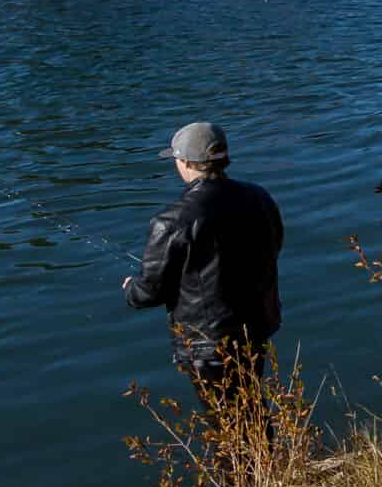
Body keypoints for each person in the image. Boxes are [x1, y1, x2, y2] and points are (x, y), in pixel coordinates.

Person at [122, 123, 285, 403]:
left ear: (185, 162)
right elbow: (274, 246)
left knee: (226, 420)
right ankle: (266, 448)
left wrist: (130, 289)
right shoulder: (259, 197)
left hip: (208, 344)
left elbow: (150, 291)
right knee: (252, 408)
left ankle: (257, 449)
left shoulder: (172, 220)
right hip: (256, 327)